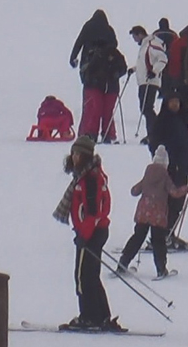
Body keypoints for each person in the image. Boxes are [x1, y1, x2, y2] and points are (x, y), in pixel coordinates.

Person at [52, 136, 123, 332]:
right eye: (73, 153)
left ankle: (89, 316)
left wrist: (84, 234)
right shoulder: (87, 175)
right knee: (91, 274)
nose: (74, 157)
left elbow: (93, 212)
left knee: (83, 277)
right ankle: (101, 315)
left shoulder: (90, 178)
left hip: (92, 233)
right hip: (94, 231)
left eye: (78, 154)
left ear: (85, 156)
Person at [117, 146, 188, 279]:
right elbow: (174, 192)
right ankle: (161, 269)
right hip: (157, 215)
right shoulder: (164, 175)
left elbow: (135, 191)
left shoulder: (148, 173)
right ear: (165, 163)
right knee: (158, 242)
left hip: (143, 213)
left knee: (137, 237)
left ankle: (123, 263)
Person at [148, 91, 188, 249]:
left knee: (178, 204)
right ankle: (162, 235)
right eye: (172, 102)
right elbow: (155, 146)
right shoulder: (162, 122)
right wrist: (168, 163)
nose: (175, 105)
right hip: (168, 172)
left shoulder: (181, 121)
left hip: (181, 170)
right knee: (168, 204)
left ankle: (169, 233)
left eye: (177, 102)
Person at [77, 39, 127, 143]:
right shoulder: (115, 54)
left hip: (99, 85)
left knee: (97, 110)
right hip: (111, 86)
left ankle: (93, 134)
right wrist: (116, 73)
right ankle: (106, 134)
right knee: (106, 111)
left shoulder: (95, 53)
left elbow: (89, 69)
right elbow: (123, 68)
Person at [128, 26, 167, 143]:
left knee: (147, 108)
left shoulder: (151, 44)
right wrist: (134, 69)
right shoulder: (145, 46)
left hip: (150, 82)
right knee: (146, 108)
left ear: (140, 34)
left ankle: (155, 134)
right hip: (144, 81)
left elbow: (163, 59)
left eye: (135, 36)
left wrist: (154, 71)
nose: (135, 40)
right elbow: (146, 63)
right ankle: (154, 133)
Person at [165, 25, 188, 119]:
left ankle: (177, 114)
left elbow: (172, 58)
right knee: (186, 96)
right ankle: (185, 114)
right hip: (186, 74)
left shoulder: (176, 43)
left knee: (178, 96)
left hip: (175, 74)